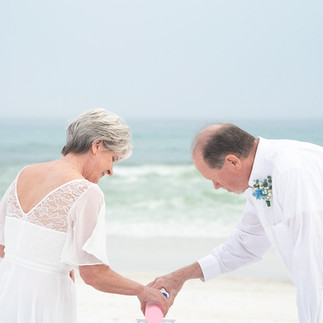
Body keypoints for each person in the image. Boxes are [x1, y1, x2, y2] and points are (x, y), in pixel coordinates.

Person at [0, 109, 169, 323]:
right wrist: (143, 291)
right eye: (113, 159)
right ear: (97, 146)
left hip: (6, 291)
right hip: (47, 301)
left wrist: (47, 264)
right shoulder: (87, 192)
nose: (110, 171)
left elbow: (3, 246)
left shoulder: (25, 173)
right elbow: (94, 275)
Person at [148, 123, 323, 323]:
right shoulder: (259, 179)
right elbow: (244, 246)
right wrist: (179, 277)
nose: (215, 186)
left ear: (232, 162)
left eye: (213, 178)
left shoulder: (292, 171)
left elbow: (314, 267)